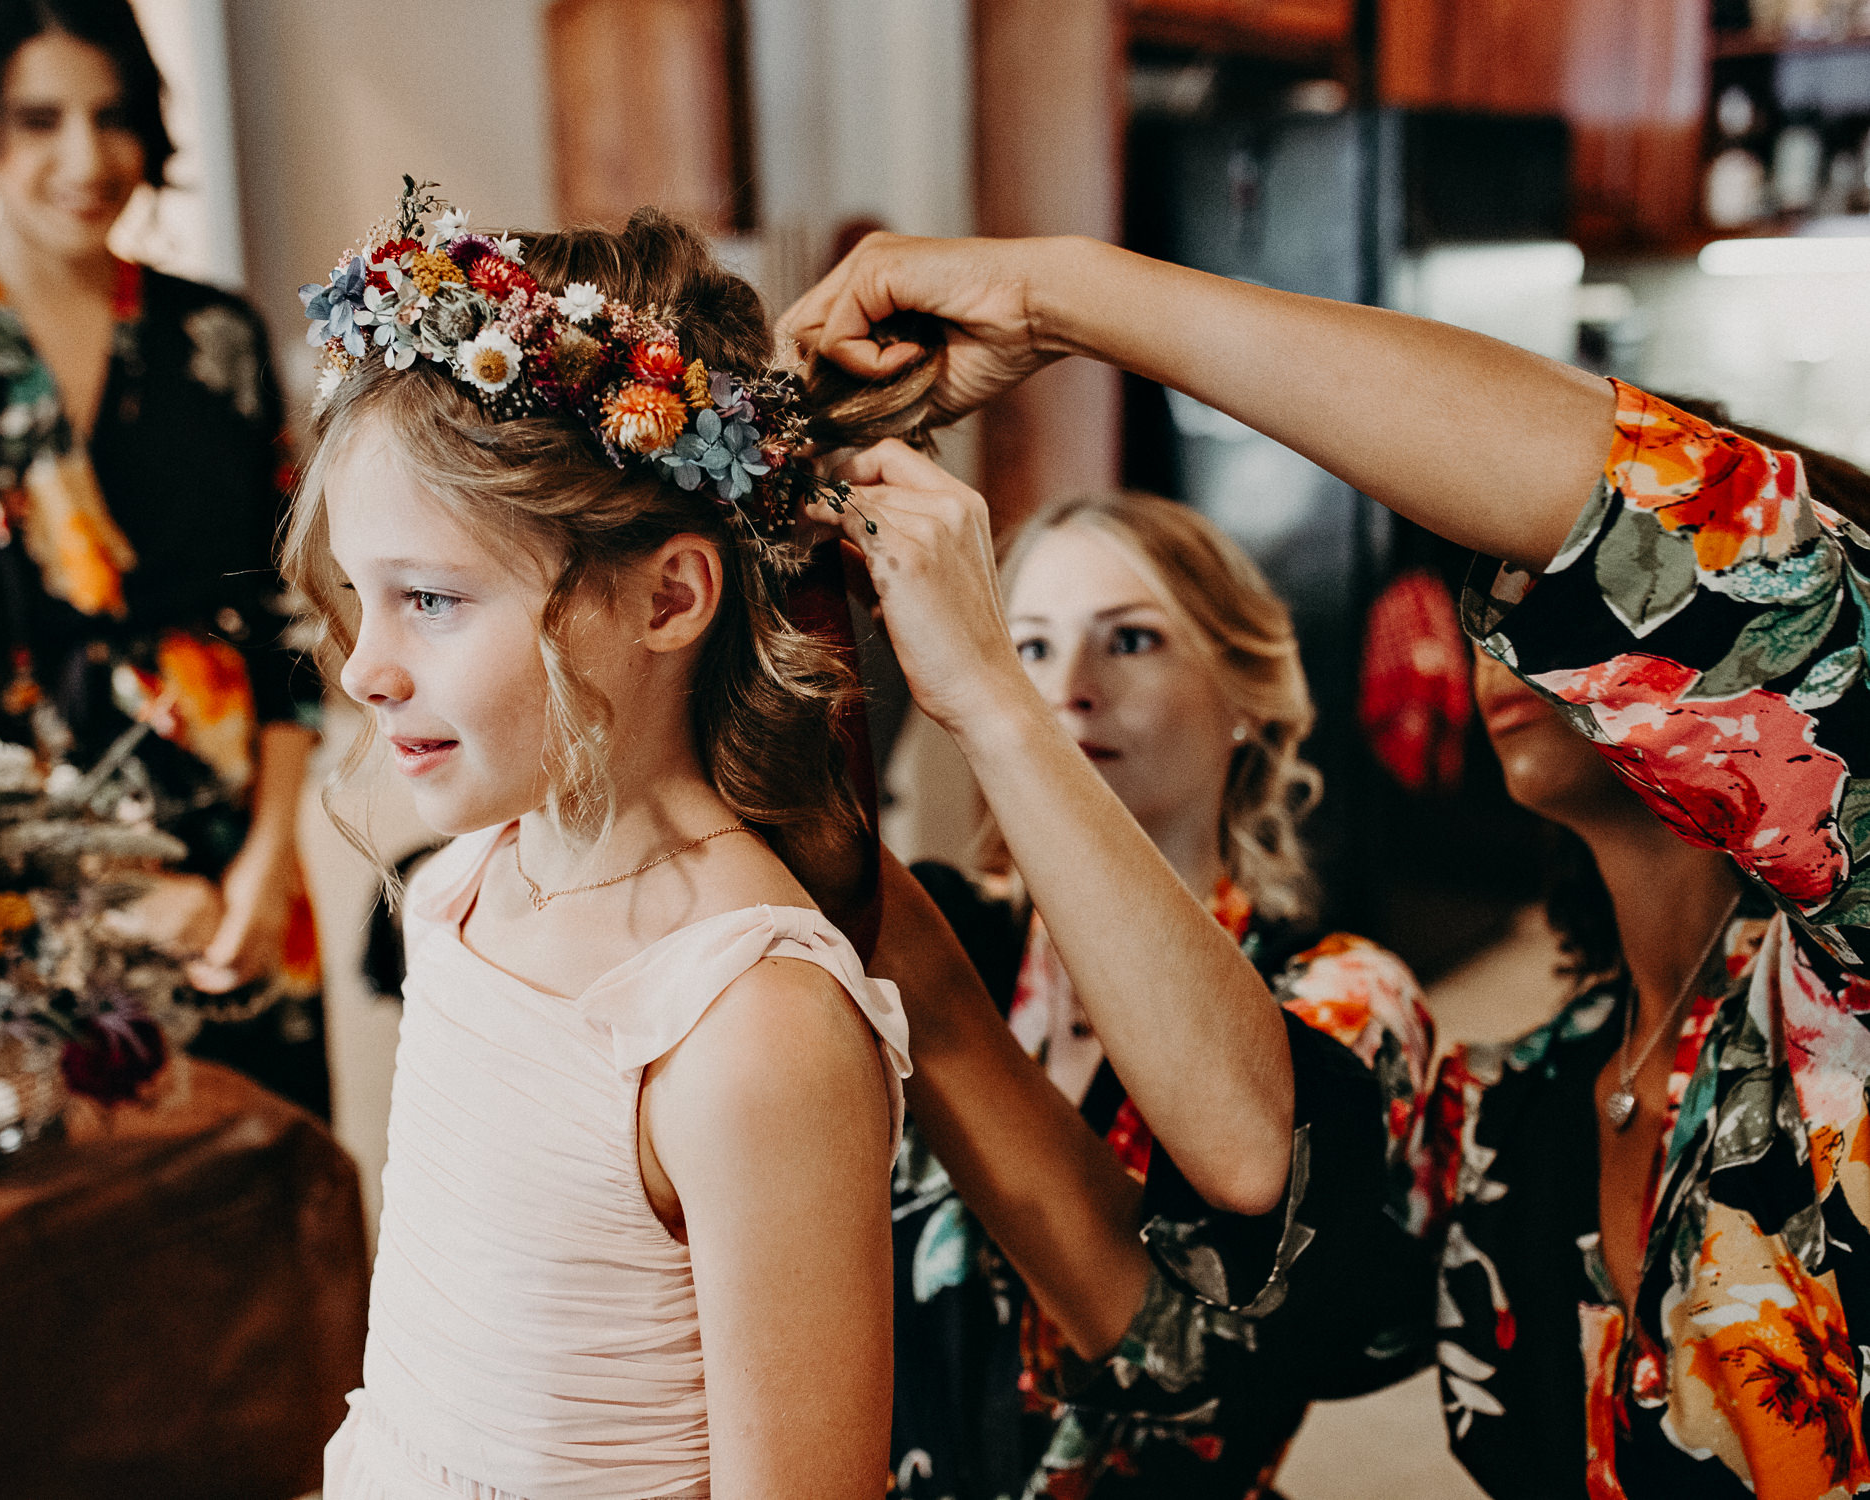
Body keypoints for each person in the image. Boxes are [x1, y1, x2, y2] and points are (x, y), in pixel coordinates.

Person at [789, 231, 1870, 1496]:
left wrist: (1055, 294)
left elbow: (1206, 1364)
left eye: (1574, 597)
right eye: (1503, 580)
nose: (1514, 619)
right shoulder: (1524, 1100)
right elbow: (1203, 1319)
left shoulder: (1842, 989)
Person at [285, 189, 924, 1498]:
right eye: (363, 597)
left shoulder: (750, 1030)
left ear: (667, 598)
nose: (364, 667)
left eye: (432, 601)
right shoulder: (469, 880)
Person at [0, 0, 325, 1113]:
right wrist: (117, 889)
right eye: (40, 119)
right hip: (11, 892)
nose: (89, 159)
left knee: (275, 1221)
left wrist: (270, 859)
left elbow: (289, 612)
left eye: (115, 115)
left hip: (238, 878)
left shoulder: (215, 338)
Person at [887, 490, 1432, 1499]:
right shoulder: (943, 927)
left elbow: (1224, 1382)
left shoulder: (1339, 1002)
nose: (1068, 690)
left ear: (1249, 693)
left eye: (1130, 640)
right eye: (1030, 648)